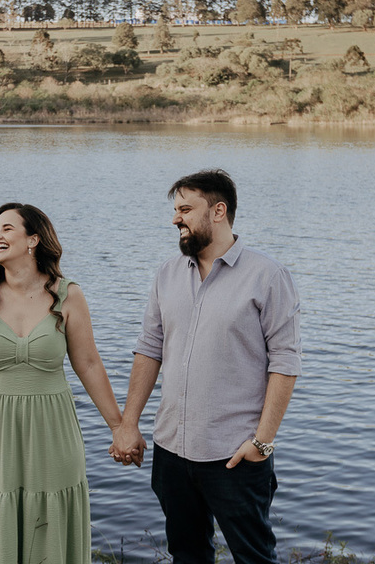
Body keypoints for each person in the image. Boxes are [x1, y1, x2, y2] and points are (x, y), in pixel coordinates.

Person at [109, 169, 303, 564]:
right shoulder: (167, 274)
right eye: (175, 210)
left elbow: (285, 362)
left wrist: (263, 442)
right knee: (187, 556)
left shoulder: (267, 276)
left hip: (234, 455)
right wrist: (129, 422)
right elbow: (149, 348)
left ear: (218, 211)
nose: (175, 218)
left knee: (255, 558)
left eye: (185, 209)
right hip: (171, 453)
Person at [0, 202, 123, 564]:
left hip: (51, 427)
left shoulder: (67, 295)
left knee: (50, 517)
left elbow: (88, 364)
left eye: (7, 228)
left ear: (33, 240)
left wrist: (119, 426)